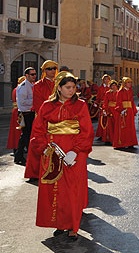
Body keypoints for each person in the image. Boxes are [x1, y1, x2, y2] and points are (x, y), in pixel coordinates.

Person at [30, 71, 94, 241]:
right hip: (52, 153)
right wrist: (44, 148)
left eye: (74, 87)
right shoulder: (46, 106)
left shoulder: (80, 105)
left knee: (73, 189)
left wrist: (77, 151)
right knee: (55, 189)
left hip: (74, 154)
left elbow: (87, 131)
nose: (72, 90)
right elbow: (38, 130)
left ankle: (73, 226)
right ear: (58, 88)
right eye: (68, 87)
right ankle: (60, 223)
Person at [24, 61, 58, 180]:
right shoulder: (38, 85)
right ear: (44, 71)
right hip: (42, 120)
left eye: (54, 68)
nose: (52, 71)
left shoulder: (60, 84)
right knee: (38, 146)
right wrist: (50, 116)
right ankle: (34, 173)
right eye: (49, 69)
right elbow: (38, 104)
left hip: (58, 120)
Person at [15, 67, 37, 165]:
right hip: (25, 113)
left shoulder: (31, 85)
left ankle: (19, 156)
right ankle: (28, 157)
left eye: (35, 74)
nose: (34, 76)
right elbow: (23, 102)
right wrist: (35, 101)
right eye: (32, 74)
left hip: (29, 112)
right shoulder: (23, 86)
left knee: (25, 135)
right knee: (27, 135)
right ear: (26, 76)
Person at [113, 77, 138, 149]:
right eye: (128, 82)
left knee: (130, 127)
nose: (130, 84)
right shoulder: (120, 92)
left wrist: (134, 111)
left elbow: (132, 101)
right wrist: (121, 110)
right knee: (122, 127)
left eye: (130, 82)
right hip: (123, 112)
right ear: (124, 83)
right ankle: (121, 143)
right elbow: (118, 102)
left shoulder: (130, 91)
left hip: (129, 111)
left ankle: (130, 142)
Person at [7, 76, 26, 152]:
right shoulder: (19, 89)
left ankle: (16, 147)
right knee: (19, 131)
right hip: (19, 111)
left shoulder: (15, 89)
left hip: (16, 111)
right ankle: (18, 147)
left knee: (15, 131)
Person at [101, 80, 119, 145]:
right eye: (112, 86)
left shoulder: (118, 93)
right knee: (109, 125)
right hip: (110, 110)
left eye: (114, 85)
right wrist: (105, 110)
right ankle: (109, 138)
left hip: (116, 110)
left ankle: (116, 138)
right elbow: (105, 102)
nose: (113, 87)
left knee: (116, 125)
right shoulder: (107, 93)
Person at [95, 74, 111, 140]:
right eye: (105, 79)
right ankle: (101, 134)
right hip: (102, 105)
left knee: (109, 120)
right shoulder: (101, 88)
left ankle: (108, 134)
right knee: (102, 119)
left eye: (107, 79)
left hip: (109, 106)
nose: (106, 80)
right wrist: (96, 103)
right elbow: (98, 96)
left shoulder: (111, 87)